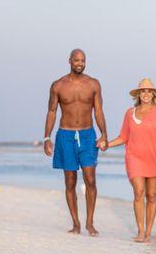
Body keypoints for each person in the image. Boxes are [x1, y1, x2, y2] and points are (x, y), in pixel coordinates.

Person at [43, 48, 108, 236]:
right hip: (66, 135)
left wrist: (104, 134)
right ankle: (76, 223)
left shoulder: (94, 84)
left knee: (90, 179)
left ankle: (90, 223)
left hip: (87, 135)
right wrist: (47, 137)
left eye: (83, 60)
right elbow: (52, 111)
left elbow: (99, 111)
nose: (80, 63)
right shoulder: (58, 85)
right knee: (70, 181)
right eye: (76, 60)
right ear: (69, 61)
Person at [107, 78, 156, 243]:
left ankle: (149, 232)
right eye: (143, 91)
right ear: (138, 94)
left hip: (154, 159)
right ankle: (141, 231)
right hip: (134, 158)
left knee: (151, 196)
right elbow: (123, 136)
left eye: (149, 91)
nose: (146, 94)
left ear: (153, 94)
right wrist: (107, 144)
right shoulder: (130, 113)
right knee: (139, 192)